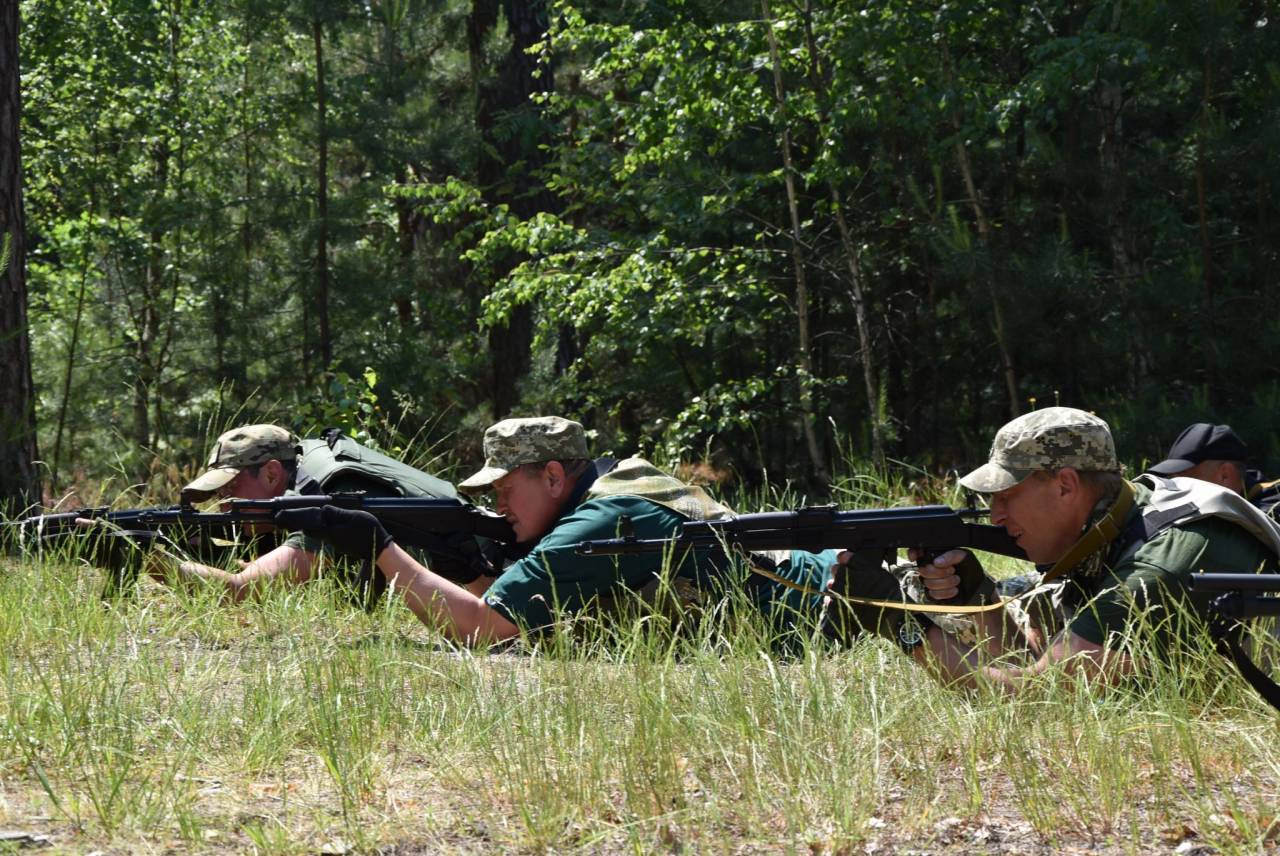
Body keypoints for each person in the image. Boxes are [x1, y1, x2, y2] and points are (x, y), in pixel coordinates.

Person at [279, 416, 837, 645]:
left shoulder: (600, 520)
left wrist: (378, 545)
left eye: (504, 489)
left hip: (831, 609)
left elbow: (482, 629)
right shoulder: (616, 489)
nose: (497, 505)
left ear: (552, 476)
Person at [834, 407, 1280, 691]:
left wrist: (898, 623)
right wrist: (979, 596)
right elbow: (1028, 659)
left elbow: (1036, 697)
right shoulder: (1110, 526)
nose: (995, 516)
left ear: (1066, 484)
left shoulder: (1157, 563)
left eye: (1006, 495)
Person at [155, 424, 462, 602]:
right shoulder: (306, 484)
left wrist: (148, 559)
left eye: (229, 490)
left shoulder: (321, 502)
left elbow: (243, 591)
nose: (223, 506)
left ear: (272, 474)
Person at [1147, 422, 1280, 517]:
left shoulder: (1273, 508)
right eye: (1173, 481)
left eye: (1186, 482)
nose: (1177, 490)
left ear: (1225, 475)